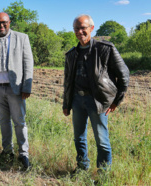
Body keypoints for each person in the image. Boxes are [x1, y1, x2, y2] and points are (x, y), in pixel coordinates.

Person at [62, 14, 130, 171]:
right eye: (76, 29)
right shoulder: (71, 54)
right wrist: (66, 104)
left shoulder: (105, 49)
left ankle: (103, 174)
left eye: (83, 28)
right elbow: (67, 81)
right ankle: (82, 168)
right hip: (77, 101)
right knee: (79, 138)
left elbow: (124, 75)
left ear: (91, 28)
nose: (80, 31)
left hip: (98, 101)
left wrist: (116, 101)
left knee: (102, 140)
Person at [0, 12, 34, 169]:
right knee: (4, 121)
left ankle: (23, 154)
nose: (1, 25)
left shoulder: (21, 38)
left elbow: (28, 63)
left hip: (15, 88)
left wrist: (27, 86)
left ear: (9, 22)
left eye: (4, 22)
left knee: (19, 122)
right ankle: (7, 151)